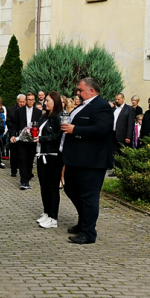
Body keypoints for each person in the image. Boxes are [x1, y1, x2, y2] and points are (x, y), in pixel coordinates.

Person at [60, 77, 113, 245]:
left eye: (80, 90)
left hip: (92, 161)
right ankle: (84, 222)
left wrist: (75, 129)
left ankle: (88, 232)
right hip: (77, 159)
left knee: (88, 197)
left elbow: (102, 129)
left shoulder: (101, 106)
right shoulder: (83, 106)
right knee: (70, 189)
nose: (77, 92)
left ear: (92, 91)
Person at [34, 91, 63, 229]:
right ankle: (46, 212)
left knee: (52, 187)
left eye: (48, 101)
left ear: (55, 102)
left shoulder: (60, 117)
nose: (45, 103)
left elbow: (59, 135)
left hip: (53, 156)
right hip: (41, 154)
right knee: (43, 186)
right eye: (45, 101)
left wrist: (42, 139)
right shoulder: (44, 117)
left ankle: (53, 217)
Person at [7, 93, 42, 189]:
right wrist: (13, 135)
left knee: (30, 160)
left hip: (32, 140)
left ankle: (27, 177)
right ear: (26, 100)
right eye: (29, 99)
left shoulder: (38, 112)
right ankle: (23, 181)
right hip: (21, 139)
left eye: (32, 99)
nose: (30, 101)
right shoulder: (19, 111)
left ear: (34, 100)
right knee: (22, 159)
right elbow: (15, 124)